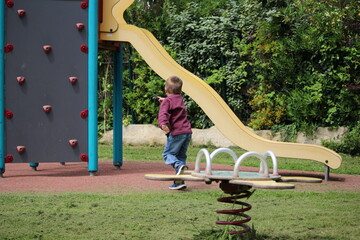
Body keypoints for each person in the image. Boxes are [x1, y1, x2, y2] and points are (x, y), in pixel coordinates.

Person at [158, 76, 192, 190]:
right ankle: (179, 182)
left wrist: (163, 124)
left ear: (166, 89)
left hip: (176, 132)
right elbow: (173, 103)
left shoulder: (168, 101)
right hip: (187, 132)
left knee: (167, 154)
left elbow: (164, 114)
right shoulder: (179, 98)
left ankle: (178, 165)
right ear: (180, 90)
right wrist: (165, 100)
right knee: (181, 156)